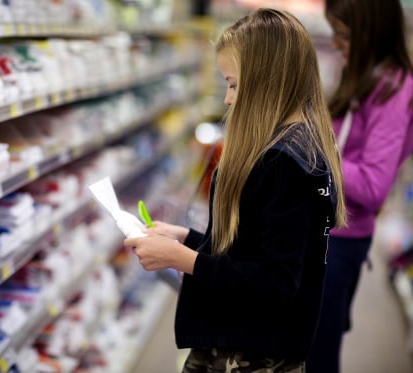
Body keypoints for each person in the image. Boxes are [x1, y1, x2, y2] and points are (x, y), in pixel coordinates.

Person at [123, 8, 347, 373]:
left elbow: (274, 282)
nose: (228, 99)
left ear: (268, 80)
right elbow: (254, 249)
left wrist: (182, 259)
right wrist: (188, 238)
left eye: (234, 84)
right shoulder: (294, 148)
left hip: (250, 354)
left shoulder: (284, 165)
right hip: (244, 343)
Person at [306, 1, 413, 372]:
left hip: (340, 241)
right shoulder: (362, 74)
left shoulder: (393, 88)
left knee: (317, 354)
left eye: (345, 35)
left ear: (373, 32)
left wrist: (313, 146)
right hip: (324, 230)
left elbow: (372, 186)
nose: (336, 44)